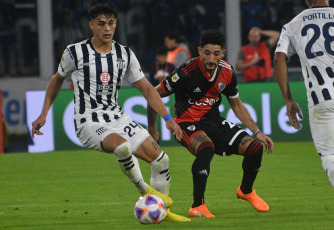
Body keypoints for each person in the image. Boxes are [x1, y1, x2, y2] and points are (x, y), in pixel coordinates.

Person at [31, 3, 190, 222]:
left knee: (161, 160)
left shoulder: (124, 54)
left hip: (117, 117)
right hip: (88, 122)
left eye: (111, 23)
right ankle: (146, 191)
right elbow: (57, 80)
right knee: (122, 146)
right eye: (101, 23)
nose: (107, 28)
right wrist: (43, 114)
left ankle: (161, 212)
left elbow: (146, 89)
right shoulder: (75, 52)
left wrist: (168, 118)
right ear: (91, 25)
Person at [148, 29, 274, 217]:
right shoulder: (185, 72)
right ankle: (197, 206)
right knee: (206, 148)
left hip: (214, 122)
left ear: (222, 53)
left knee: (255, 148)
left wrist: (257, 132)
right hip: (186, 123)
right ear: (200, 51)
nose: (211, 58)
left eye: (216, 53)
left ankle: (246, 191)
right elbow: (153, 94)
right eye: (207, 53)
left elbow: (237, 105)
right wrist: (153, 128)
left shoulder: (227, 71)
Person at [274, 0, 334, 187]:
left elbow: (279, 58)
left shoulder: (293, 25)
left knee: (330, 155)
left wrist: (289, 100)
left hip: (321, 99)